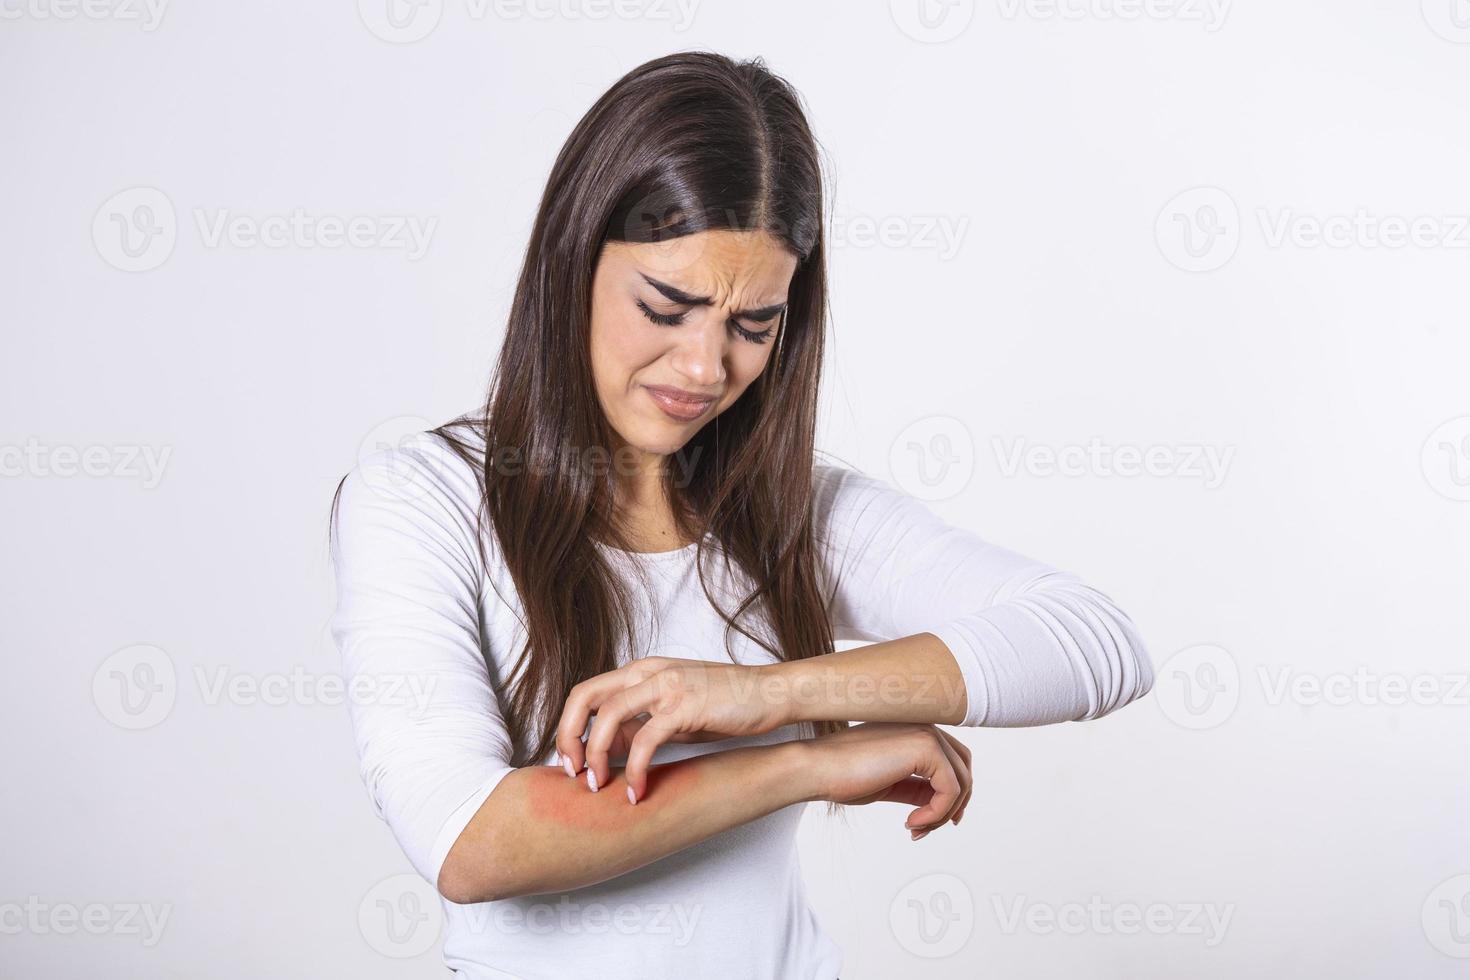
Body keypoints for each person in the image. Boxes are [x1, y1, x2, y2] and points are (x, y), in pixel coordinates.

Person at [328, 49, 1155, 980]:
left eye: (753, 326)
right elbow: (470, 844)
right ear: (573, 261)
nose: (704, 369)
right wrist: (800, 765)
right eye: (666, 307)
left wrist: (764, 695)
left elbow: (1095, 641)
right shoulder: (421, 501)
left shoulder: (785, 506)